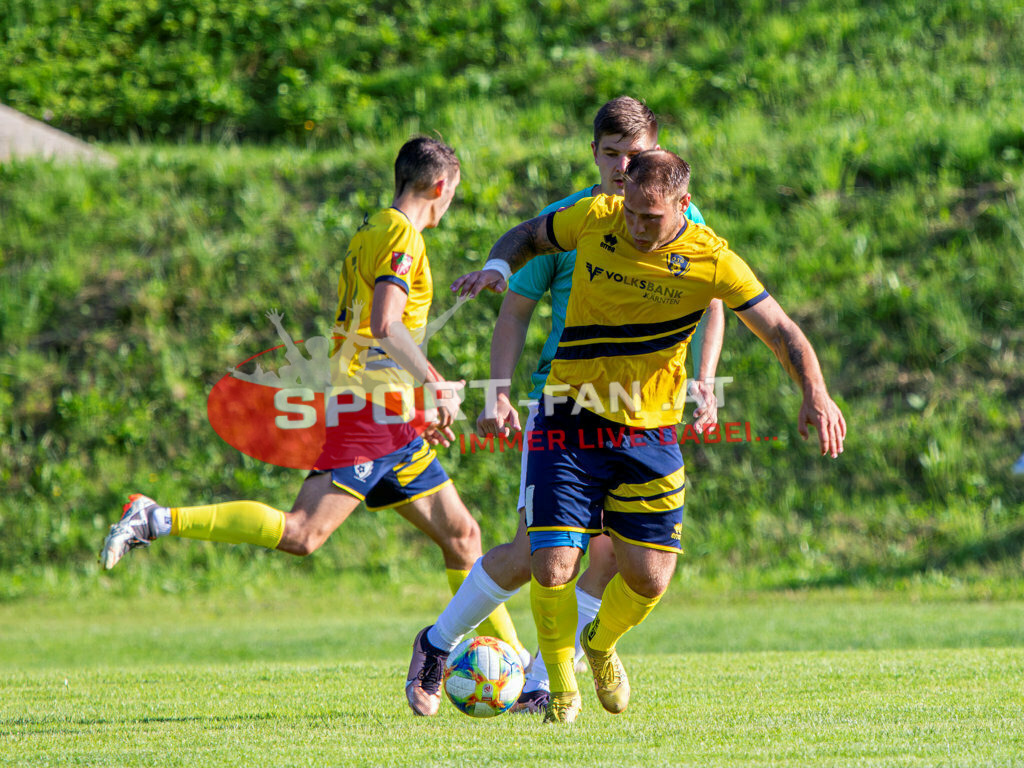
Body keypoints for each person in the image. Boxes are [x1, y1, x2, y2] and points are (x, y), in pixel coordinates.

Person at [99, 137, 527, 687]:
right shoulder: (402, 236)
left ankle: (518, 677)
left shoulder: (373, 228)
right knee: (303, 534)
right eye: (453, 195)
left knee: (463, 536)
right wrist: (437, 385)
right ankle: (156, 518)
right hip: (369, 416)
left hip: (386, 416)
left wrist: (417, 407)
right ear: (440, 187)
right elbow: (385, 324)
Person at [451, 148, 846, 723]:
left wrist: (815, 390)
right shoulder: (596, 216)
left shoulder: (711, 259)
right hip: (568, 417)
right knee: (552, 562)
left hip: (648, 433)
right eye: (632, 211)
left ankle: (601, 644)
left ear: (684, 205)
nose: (636, 226)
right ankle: (559, 690)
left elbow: (780, 327)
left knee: (650, 578)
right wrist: (498, 267)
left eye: (651, 217)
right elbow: (526, 235)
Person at [404, 97, 725, 716]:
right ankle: (440, 642)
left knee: (614, 558)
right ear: (595, 154)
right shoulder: (573, 219)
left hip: (643, 416)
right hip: (567, 408)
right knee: (540, 555)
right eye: (612, 156)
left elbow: (715, 298)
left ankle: (545, 680)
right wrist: (498, 395)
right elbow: (517, 310)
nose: (625, 170)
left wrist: (703, 379)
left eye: (637, 157)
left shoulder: (677, 216)